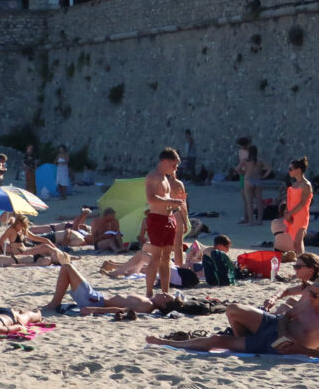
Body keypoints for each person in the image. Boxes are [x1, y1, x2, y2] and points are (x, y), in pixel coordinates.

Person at [148, 285, 319, 357]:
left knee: (216, 340)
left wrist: (300, 349)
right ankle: (243, 339)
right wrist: (282, 331)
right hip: (275, 325)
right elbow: (287, 316)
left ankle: (166, 342)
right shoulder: (308, 299)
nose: (309, 296)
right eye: (310, 291)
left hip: (277, 345)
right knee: (233, 308)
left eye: (314, 294)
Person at [44, 258, 177, 315]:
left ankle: (54, 304)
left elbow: (122, 310)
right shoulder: (148, 300)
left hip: (95, 301)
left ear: (163, 305)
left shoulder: (147, 306)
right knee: (67, 268)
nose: (163, 293)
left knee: (67, 267)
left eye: (165, 297)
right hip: (96, 298)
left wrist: (93, 310)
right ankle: (54, 303)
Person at [142, 148, 185, 298]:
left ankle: (165, 291)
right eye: (174, 165)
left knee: (167, 256)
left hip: (169, 218)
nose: (175, 169)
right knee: (156, 256)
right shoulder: (153, 177)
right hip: (157, 219)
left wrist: (175, 203)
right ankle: (149, 292)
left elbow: (164, 199)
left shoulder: (166, 177)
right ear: (165, 162)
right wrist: (171, 201)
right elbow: (151, 199)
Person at [283, 157, 312, 256]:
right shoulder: (295, 184)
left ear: (298, 170)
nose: (289, 171)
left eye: (291, 169)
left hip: (301, 216)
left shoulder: (306, 185)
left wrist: (290, 213)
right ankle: (302, 261)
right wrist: (287, 212)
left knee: (298, 243)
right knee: (295, 244)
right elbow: (290, 201)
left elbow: (302, 203)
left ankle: (303, 262)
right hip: (293, 215)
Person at [238, 138, 262, 225]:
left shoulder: (243, 154)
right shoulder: (256, 158)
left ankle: (248, 218)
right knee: (257, 200)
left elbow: (239, 167)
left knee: (247, 200)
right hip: (256, 178)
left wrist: (242, 173)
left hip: (246, 177)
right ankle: (257, 219)